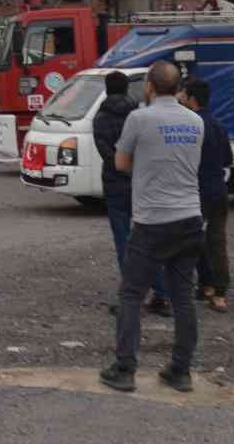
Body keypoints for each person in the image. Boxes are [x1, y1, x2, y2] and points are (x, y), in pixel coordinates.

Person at [100, 60, 204, 394]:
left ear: (148, 86)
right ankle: (180, 370)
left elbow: (121, 162)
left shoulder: (139, 118)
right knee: (183, 297)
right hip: (190, 218)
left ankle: (125, 368)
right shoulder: (195, 121)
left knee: (131, 294)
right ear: (178, 88)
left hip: (153, 220)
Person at [92, 71, 168, 315]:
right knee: (149, 237)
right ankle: (161, 291)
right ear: (127, 89)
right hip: (142, 182)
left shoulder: (100, 118)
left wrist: (121, 169)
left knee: (123, 240)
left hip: (115, 185)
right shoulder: (140, 115)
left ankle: (132, 296)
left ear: (106, 89)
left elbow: (106, 153)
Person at [183, 78, 232, 312]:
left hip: (196, 191)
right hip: (218, 191)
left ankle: (210, 286)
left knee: (197, 240)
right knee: (216, 240)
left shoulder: (190, 125)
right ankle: (216, 288)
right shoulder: (218, 124)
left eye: (184, 94)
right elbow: (228, 159)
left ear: (191, 98)